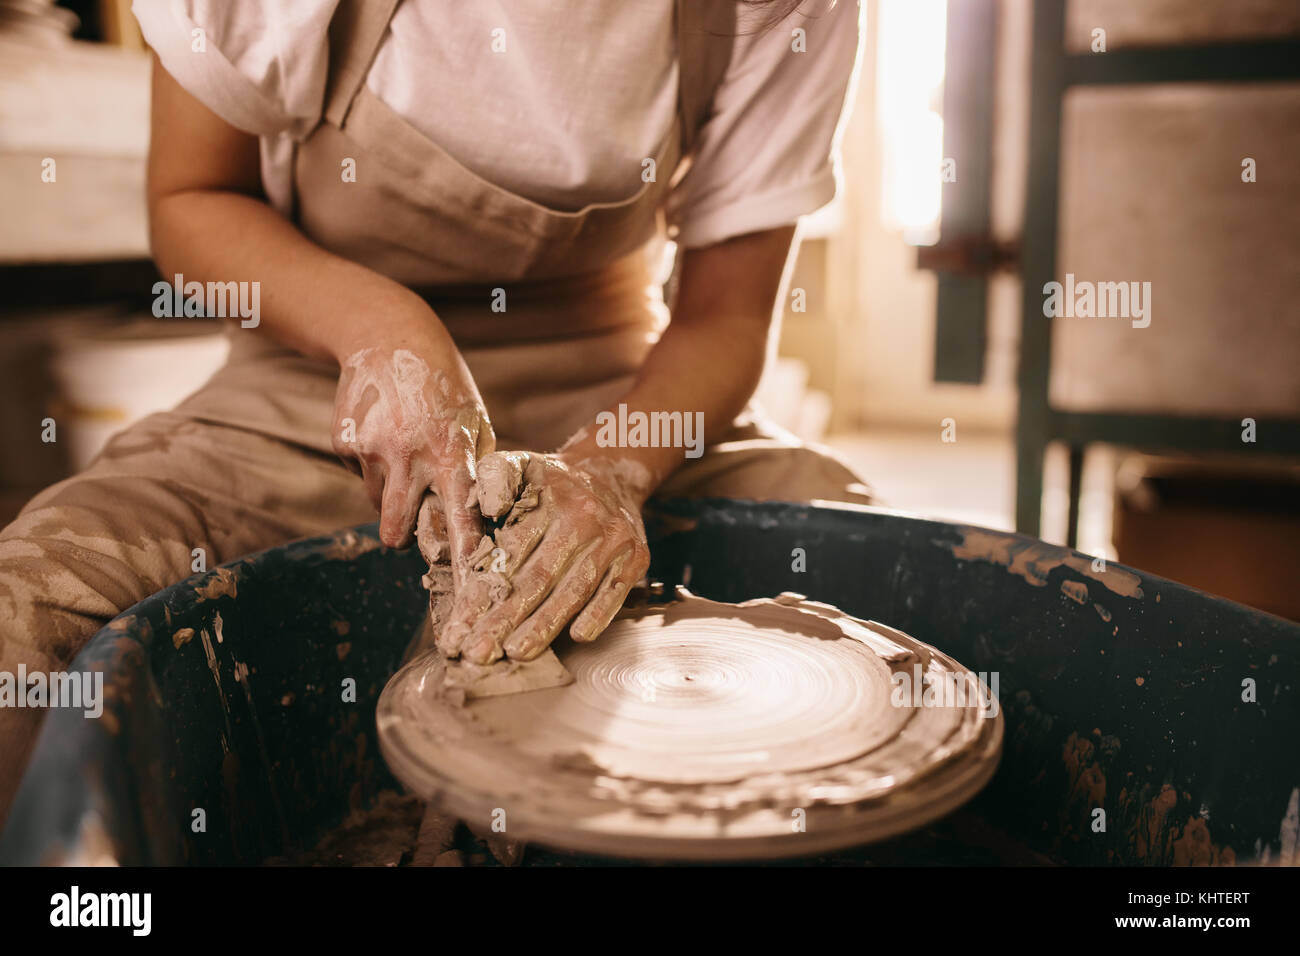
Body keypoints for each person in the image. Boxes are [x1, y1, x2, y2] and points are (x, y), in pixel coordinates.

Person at [0, 0, 869, 820]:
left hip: (621, 397)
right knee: (28, 626)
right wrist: (381, 329)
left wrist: (613, 470)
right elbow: (189, 204)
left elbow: (726, 317)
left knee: (877, 613)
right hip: (310, 379)